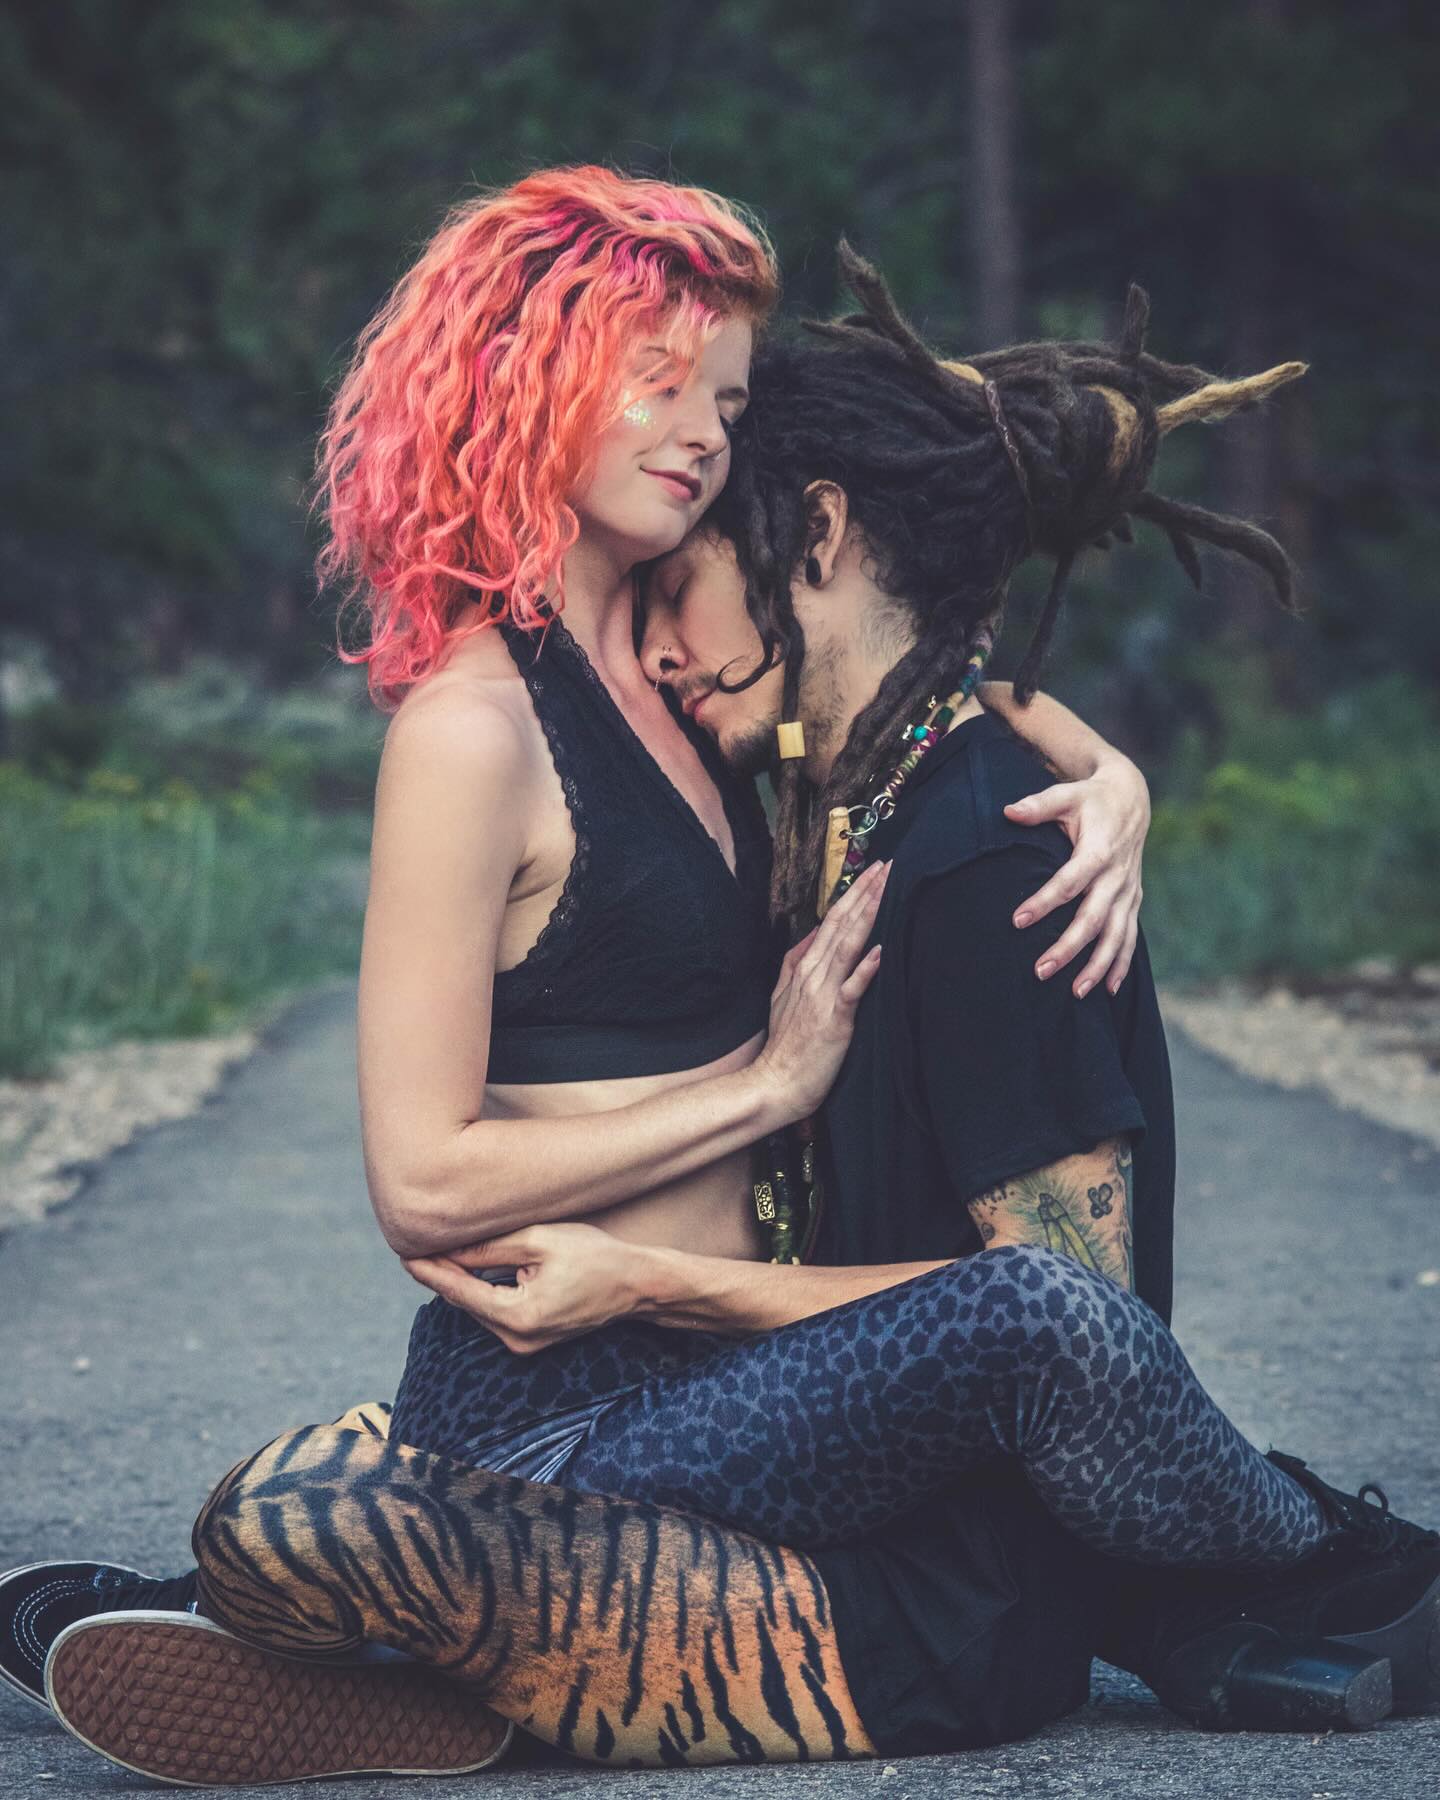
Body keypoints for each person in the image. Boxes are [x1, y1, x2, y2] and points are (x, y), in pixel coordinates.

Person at [18, 242, 1440, 1786]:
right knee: (283, 1508)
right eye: (666, 388)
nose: (700, 442)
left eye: (727, 406)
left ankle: (1325, 1551)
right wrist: (763, 1091)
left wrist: (1112, 777)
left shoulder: (738, 717)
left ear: (807, 533)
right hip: (578, 1409)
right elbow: (424, 1173)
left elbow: (940, 697)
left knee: (304, 1516)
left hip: (713, 1410)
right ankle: (402, 1631)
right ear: (540, 387)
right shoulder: (604, 717)